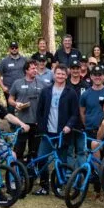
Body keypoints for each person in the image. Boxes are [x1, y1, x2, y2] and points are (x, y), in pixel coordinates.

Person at [34, 63, 80, 195]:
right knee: (42, 158)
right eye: (58, 73)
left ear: (66, 76)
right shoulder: (46, 91)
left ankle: (58, 185)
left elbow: (75, 114)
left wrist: (68, 126)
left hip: (62, 133)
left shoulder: (71, 93)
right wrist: (41, 127)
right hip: (47, 132)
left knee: (61, 160)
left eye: (63, 74)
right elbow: (39, 111)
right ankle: (44, 186)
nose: (60, 76)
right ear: (54, 75)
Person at [9, 61, 43, 166]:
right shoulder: (17, 83)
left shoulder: (42, 83)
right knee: (19, 149)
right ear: (26, 70)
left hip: (36, 122)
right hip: (22, 122)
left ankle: (30, 171)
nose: (35, 70)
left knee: (34, 151)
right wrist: (16, 104)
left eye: (36, 68)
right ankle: (17, 171)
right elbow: (10, 99)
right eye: (33, 68)